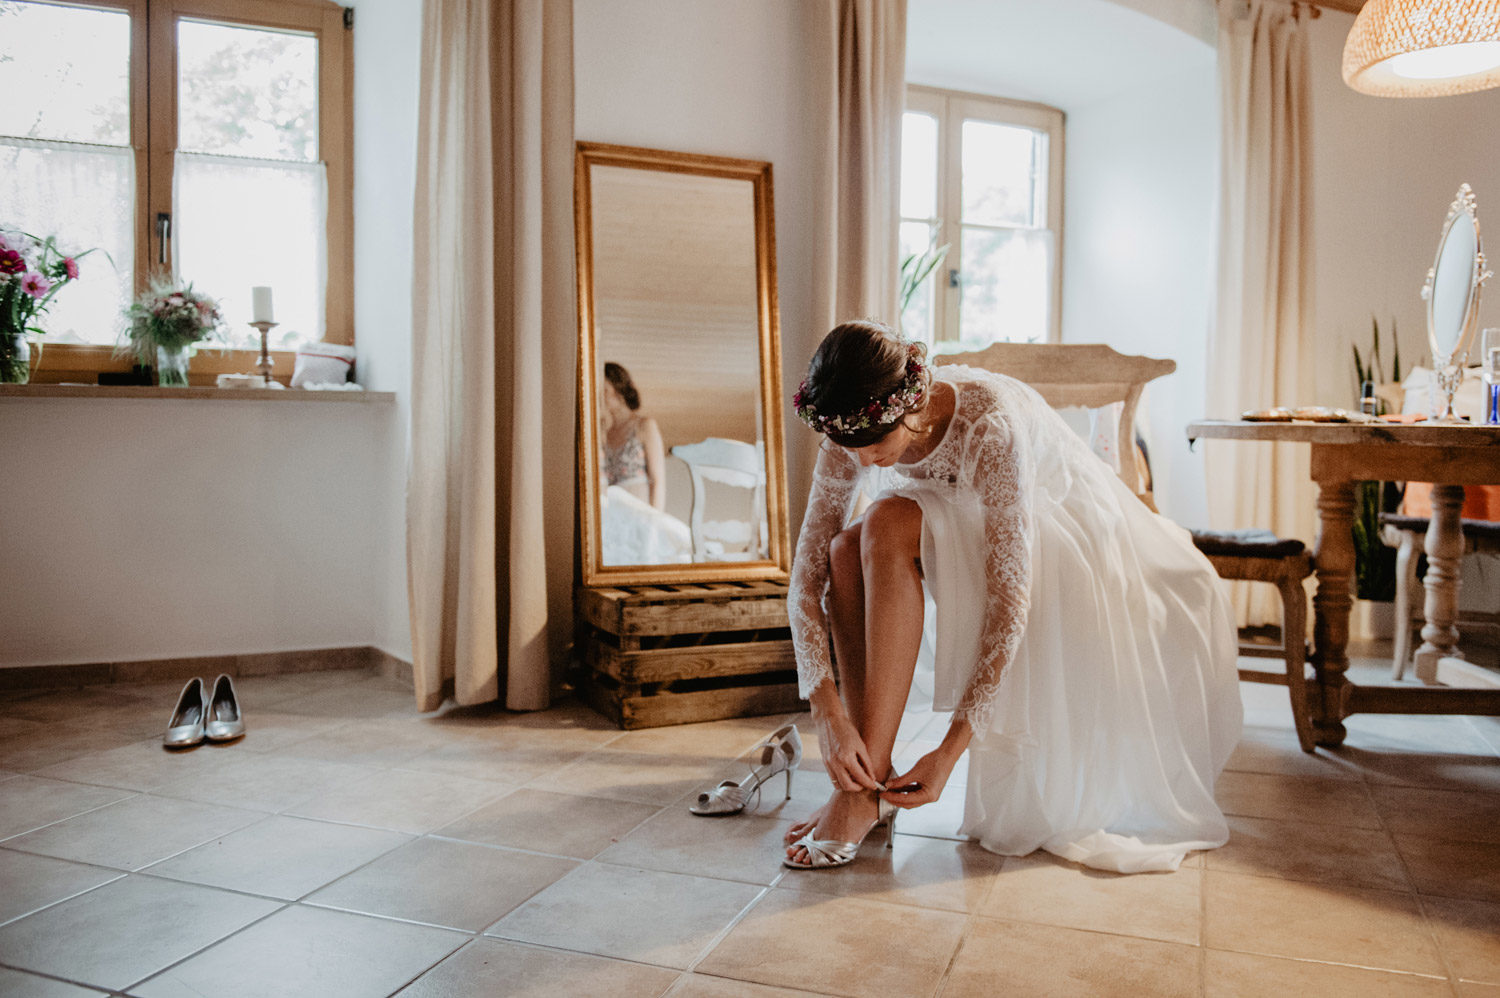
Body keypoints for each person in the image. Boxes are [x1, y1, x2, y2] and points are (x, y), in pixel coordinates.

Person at [781, 319, 1242, 873]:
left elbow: (1009, 599)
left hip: (1048, 533)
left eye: (874, 445)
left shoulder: (989, 426)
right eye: (845, 446)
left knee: (882, 520)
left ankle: (859, 798)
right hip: (945, 521)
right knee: (840, 553)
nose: (858, 462)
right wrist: (825, 711)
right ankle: (866, 784)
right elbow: (805, 579)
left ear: (909, 408)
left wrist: (948, 752)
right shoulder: (853, 424)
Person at [601, 361, 666, 511]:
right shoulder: (606, 434)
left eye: (605, 390)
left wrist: (654, 523)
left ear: (619, 389)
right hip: (614, 514)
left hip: (640, 512)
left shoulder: (645, 425)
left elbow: (658, 481)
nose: (601, 396)